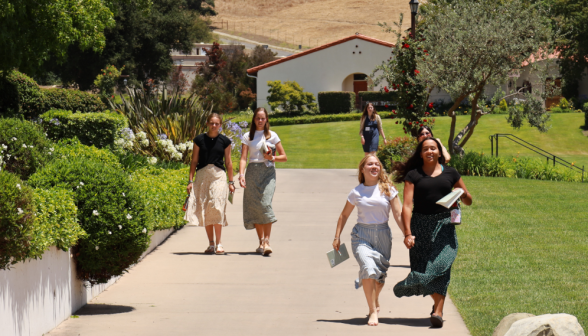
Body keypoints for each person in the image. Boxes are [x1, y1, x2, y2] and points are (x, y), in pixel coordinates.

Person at [392, 137, 472, 328]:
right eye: (426, 148)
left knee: (442, 265)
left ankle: (438, 311)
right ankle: (422, 286)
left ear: (439, 152)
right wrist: (407, 233)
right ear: (421, 153)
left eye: (433, 148)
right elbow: (407, 205)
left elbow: (468, 200)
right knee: (424, 267)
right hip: (420, 226)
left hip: (444, 225)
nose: (430, 151)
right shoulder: (413, 175)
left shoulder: (451, 173)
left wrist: (463, 195)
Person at [332, 155, 404, 326]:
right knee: (367, 267)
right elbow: (344, 215)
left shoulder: (388, 189)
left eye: (377, 164)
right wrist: (337, 237)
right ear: (362, 169)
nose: (374, 167)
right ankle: (372, 311)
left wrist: (408, 234)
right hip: (361, 235)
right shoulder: (357, 192)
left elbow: (398, 214)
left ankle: (375, 298)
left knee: (379, 276)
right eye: (370, 164)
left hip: (383, 236)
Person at [185, 113, 236, 255]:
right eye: (211, 123)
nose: (214, 125)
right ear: (207, 123)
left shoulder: (225, 141)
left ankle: (219, 243)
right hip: (202, 175)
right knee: (206, 208)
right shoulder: (199, 140)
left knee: (217, 206)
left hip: (219, 175)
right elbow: (194, 161)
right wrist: (190, 180)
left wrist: (231, 182)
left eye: (217, 123)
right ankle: (211, 244)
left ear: (220, 125)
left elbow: (229, 162)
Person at [239, 107, 287, 256]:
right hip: (252, 172)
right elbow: (243, 158)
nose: (260, 121)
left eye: (263, 118)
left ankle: (267, 241)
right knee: (255, 206)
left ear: (266, 120)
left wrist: (272, 158)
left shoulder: (272, 136)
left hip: (268, 173)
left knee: (265, 203)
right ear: (254, 119)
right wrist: (241, 174)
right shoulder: (248, 136)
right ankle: (261, 241)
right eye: (258, 118)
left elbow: (284, 156)